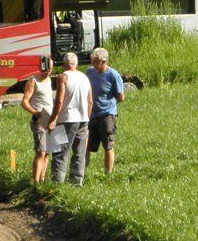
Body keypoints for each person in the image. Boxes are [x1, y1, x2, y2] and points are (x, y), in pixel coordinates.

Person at [47, 52, 91, 185]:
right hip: (83, 119)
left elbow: (59, 101)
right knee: (79, 152)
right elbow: (90, 102)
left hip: (66, 119)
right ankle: (77, 181)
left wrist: (53, 118)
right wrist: (87, 118)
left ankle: (57, 182)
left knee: (60, 152)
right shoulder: (85, 77)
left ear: (64, 64)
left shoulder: (63, 77)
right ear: (76, 64)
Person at [86, 46, 125, 175]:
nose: (92, 63)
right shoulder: (89, 72)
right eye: (92, 61)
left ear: (103, 61)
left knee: (108, 146)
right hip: (91, 115)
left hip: (107, 115)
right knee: (86, 146)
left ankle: (108, 174)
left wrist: (108, 104)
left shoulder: (113, 75)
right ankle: (81, 173)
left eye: (95, 61)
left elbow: (121, 97)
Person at [20, 56, 54, 183]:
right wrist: (36, 112)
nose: (49, 72)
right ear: (41, 67)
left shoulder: (49, 80)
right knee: (41, 151)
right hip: (39, 120)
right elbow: (24, 102)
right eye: (47, 69)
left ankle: (42, 179)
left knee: (48, 152)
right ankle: (35, 181)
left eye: (51, 69)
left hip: (50, 119)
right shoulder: (33, 81)